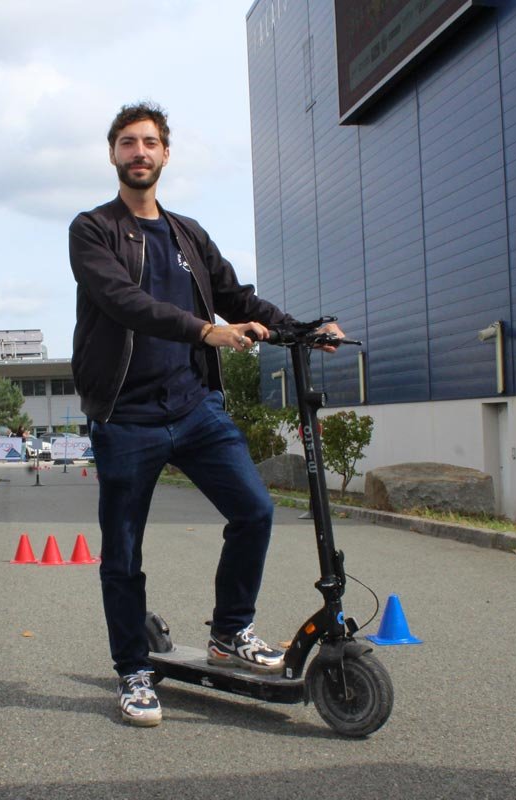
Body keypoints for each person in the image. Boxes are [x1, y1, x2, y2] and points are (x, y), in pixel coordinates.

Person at [68, 102, 345, 727]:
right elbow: (123, 301)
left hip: (195, 408)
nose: (140, 152)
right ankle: (133, 671)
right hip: (126, 415)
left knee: (254, 510)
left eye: (150, 143)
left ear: (166, 155)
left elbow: (235, 296)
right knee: (123, 552)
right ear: (113, 154)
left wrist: (301, 327)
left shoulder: (188, 233)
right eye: (128, 143)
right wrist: (206, 332)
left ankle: (230, 631)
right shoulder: (93, 230)